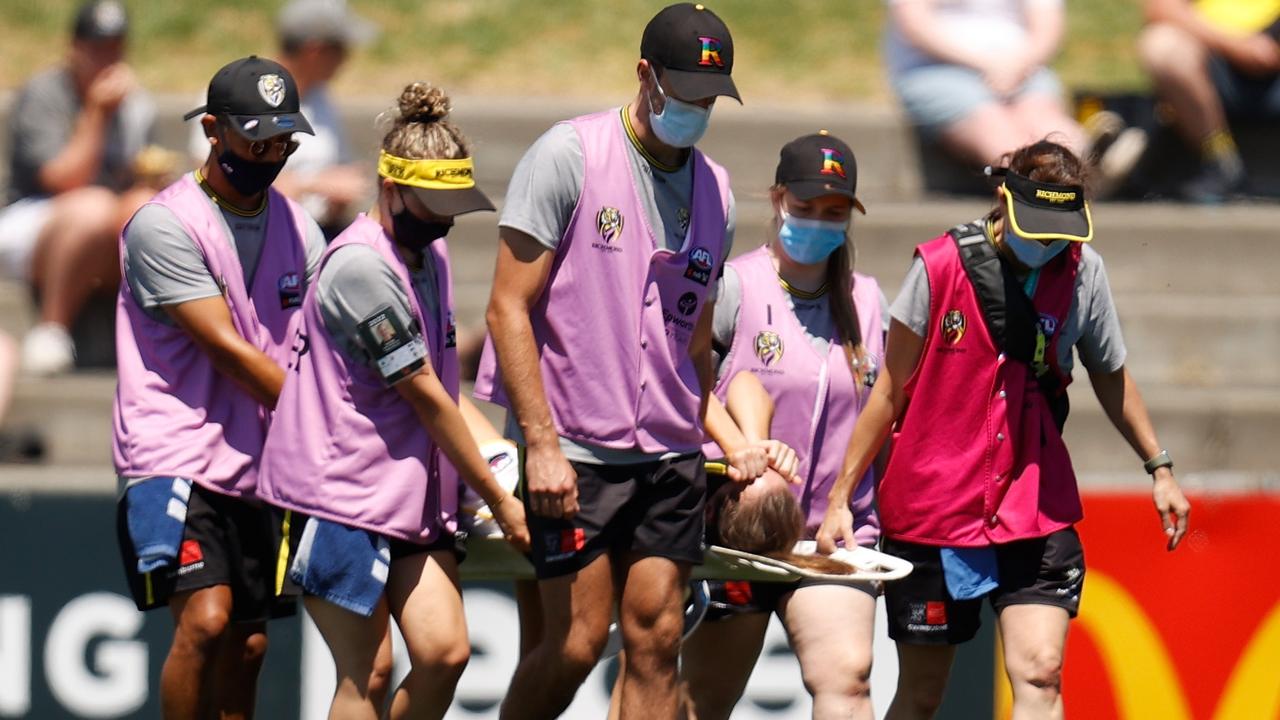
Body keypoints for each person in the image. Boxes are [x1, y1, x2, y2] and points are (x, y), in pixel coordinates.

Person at [816, 139, 1192, 720]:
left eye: (1057, 231)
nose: (1046, 244)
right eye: (1035, 227)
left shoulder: (1083, 272)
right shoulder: (938, 266)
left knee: (1041, 672)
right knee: (921, 695)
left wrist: (1159, 467)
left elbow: (1111, 375)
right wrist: (842, 495)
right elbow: (889, 390)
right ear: (1003, 198)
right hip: (933, 510)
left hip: (1034, 505)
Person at [473, 4, 750, 718]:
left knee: (658, 639)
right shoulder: (568, 155)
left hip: (668, 453)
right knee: (573, 641)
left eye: (708, 99)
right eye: (683, 91)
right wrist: (538, 444)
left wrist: (728, 445)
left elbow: (696, 345)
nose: (694, 109)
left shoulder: (717, 189)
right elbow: (507, 308)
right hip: (573, 450)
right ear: (644, 75)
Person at [258, 82, 530, 720]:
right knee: (368, 673)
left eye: (451, 205)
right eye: (432, 203)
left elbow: (439, 380)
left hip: (409, 496)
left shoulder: (428, 252)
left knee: (445, 654)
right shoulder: (360, 266)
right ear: (390, 187)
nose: (442, 218)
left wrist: (493, 453)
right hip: (340, 497)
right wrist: (499, 497)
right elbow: (426, 396)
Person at [112, 56, 324, 719]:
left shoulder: (302, 228)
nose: (269, 154)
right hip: (173, 457)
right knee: (206, 621)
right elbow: (227, 349)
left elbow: (325, 344)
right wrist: (331, 420)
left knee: (250, 643)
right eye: (254, 139)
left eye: (282, 142)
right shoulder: (163, 226)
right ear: (212, 129)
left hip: (263, 462)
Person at [681, 132, 887, 720]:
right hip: (736, 536)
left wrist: (855, 501)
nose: (818, 223)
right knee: (703, 701)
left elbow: (883, 413)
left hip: (829, 535)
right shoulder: (733, 288)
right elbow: (685, 387)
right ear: (777, 199)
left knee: (847, 678)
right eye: (805, 209)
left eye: (834, 212)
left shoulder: (868, 302)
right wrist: (740, 449)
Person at [0, 0, 156, 375]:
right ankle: (52, 330)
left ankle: (154, 335)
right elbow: (63, 179)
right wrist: (97, 113)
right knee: (93, 207)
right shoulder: (45, 93)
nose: (108, 58)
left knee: (146, 209)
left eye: (116, 47)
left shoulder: (136, 105)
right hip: (32, 220)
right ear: (75, 47)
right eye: (97, 47)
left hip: (100, 229)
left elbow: (135, 176)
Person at [883, 0, 1146, 184]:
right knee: (995, 129)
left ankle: (1083, 161)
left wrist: (1018, 65)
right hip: (936, 68)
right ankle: (1074, 174)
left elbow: (1047, 27)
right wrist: (987, 64)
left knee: (1045, 119)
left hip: (1023, 67)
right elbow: (914, 24)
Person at [184, 0, 377, 236]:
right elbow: (218, 180)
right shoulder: (233, 93)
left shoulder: (321, 99)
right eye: (341, 50)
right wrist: (315, 184)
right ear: (315, 51)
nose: (347, 60)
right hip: (246, 232)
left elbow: (339, 173)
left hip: (315, 231)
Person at [1138, 0, 1280, 201]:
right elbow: (1162, 9)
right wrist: (1237, 46)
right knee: (1162, 44)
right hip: (1214, 59)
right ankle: (1219, 161)